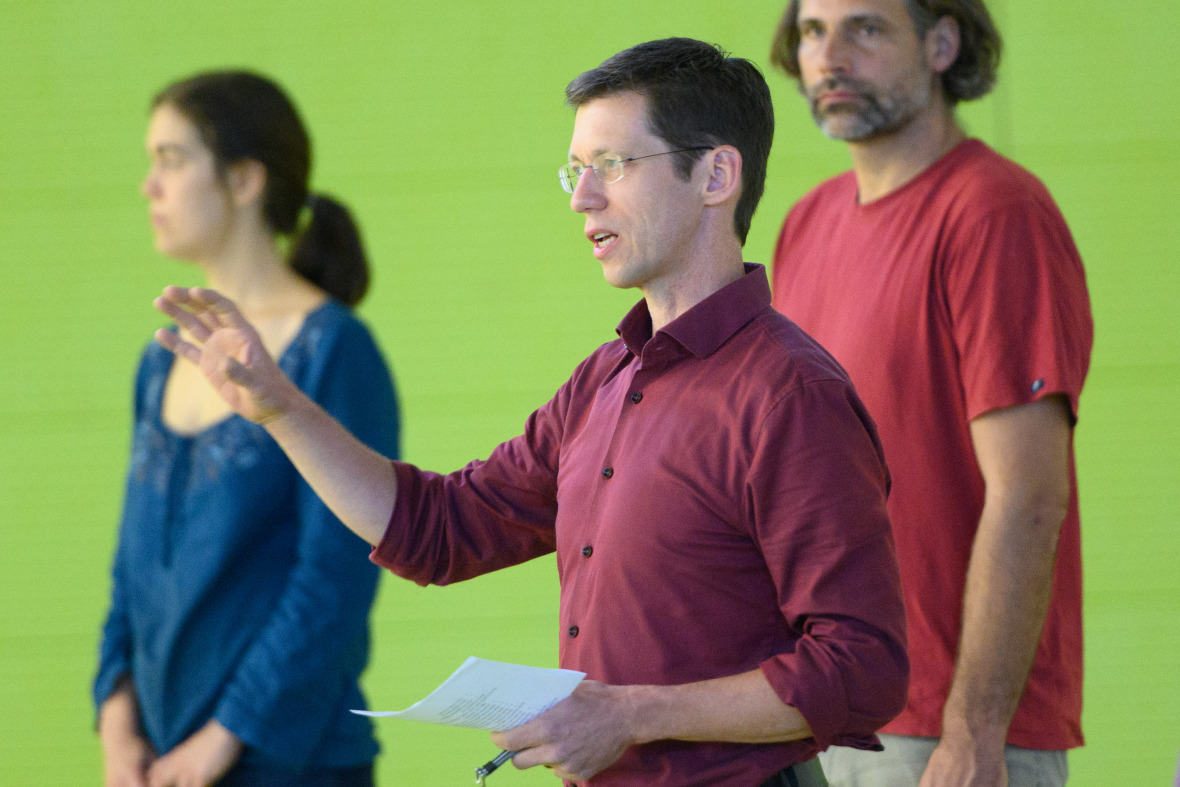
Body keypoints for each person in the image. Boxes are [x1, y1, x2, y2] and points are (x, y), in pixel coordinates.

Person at [152, 39, 909, 787]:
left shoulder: (790, 393)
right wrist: (280, 408)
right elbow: (437, 528)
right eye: (576, 171)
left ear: (716, 174)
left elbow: (861, 668)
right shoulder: (603, 379)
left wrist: (628, 715)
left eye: (612, 166)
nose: (582, 198)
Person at [768, 2, 1093, 785]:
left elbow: (1030, 494)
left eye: (866, 28)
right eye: (813, 31)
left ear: (943, 43)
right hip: (818, 713)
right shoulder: (805, 225)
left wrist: (975, 731)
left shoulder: (994, 212)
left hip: (948, 737)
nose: (831, 56)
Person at [94, 71, 400, 787]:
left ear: (243, 179)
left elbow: (335, 578)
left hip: (287, 762)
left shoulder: (333, 349)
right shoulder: (159, 356)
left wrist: (223, 741)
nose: (149, 186)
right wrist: (116, 723)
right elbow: (131, 564)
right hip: (159, 759)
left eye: (171, 159)